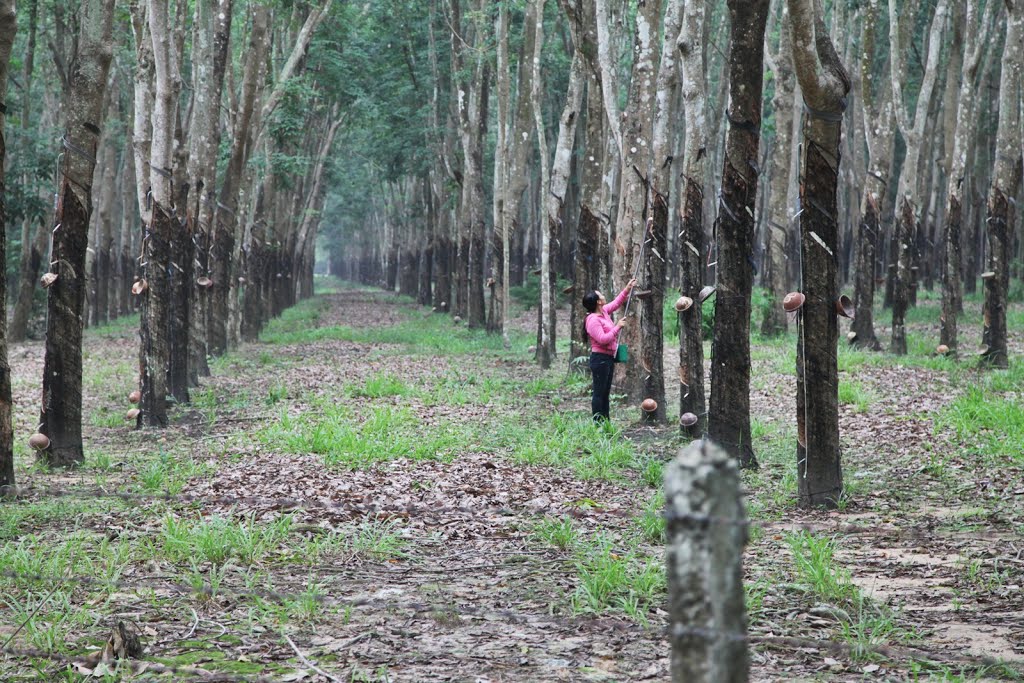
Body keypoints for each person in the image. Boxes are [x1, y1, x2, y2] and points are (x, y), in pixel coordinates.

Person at [583, 278, 636, 422]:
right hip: (599, 359)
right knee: (599, 393)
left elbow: (616, 303)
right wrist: (617, 326)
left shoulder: (604, 311)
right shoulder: (593, 319)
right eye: (600, 295)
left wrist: (627, 288)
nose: (603, 295)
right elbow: (603, 339)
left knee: (605, 392)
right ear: (598, 302)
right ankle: (597, 423)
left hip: (608, 358)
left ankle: (606, 422)